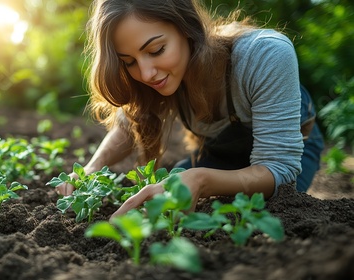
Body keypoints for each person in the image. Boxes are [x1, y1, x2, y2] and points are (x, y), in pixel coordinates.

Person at [55, 0, 324, 217]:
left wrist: (200, 180)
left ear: (187, 28)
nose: (146, 73)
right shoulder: (159, 77)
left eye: (157, 49)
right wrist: (91, 168)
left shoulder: (265, 55)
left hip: (287, 156)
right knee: (162, 202)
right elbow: (131, 122)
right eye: (129, 62)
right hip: (219, 156)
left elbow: (279, 169)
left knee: (260, 214)